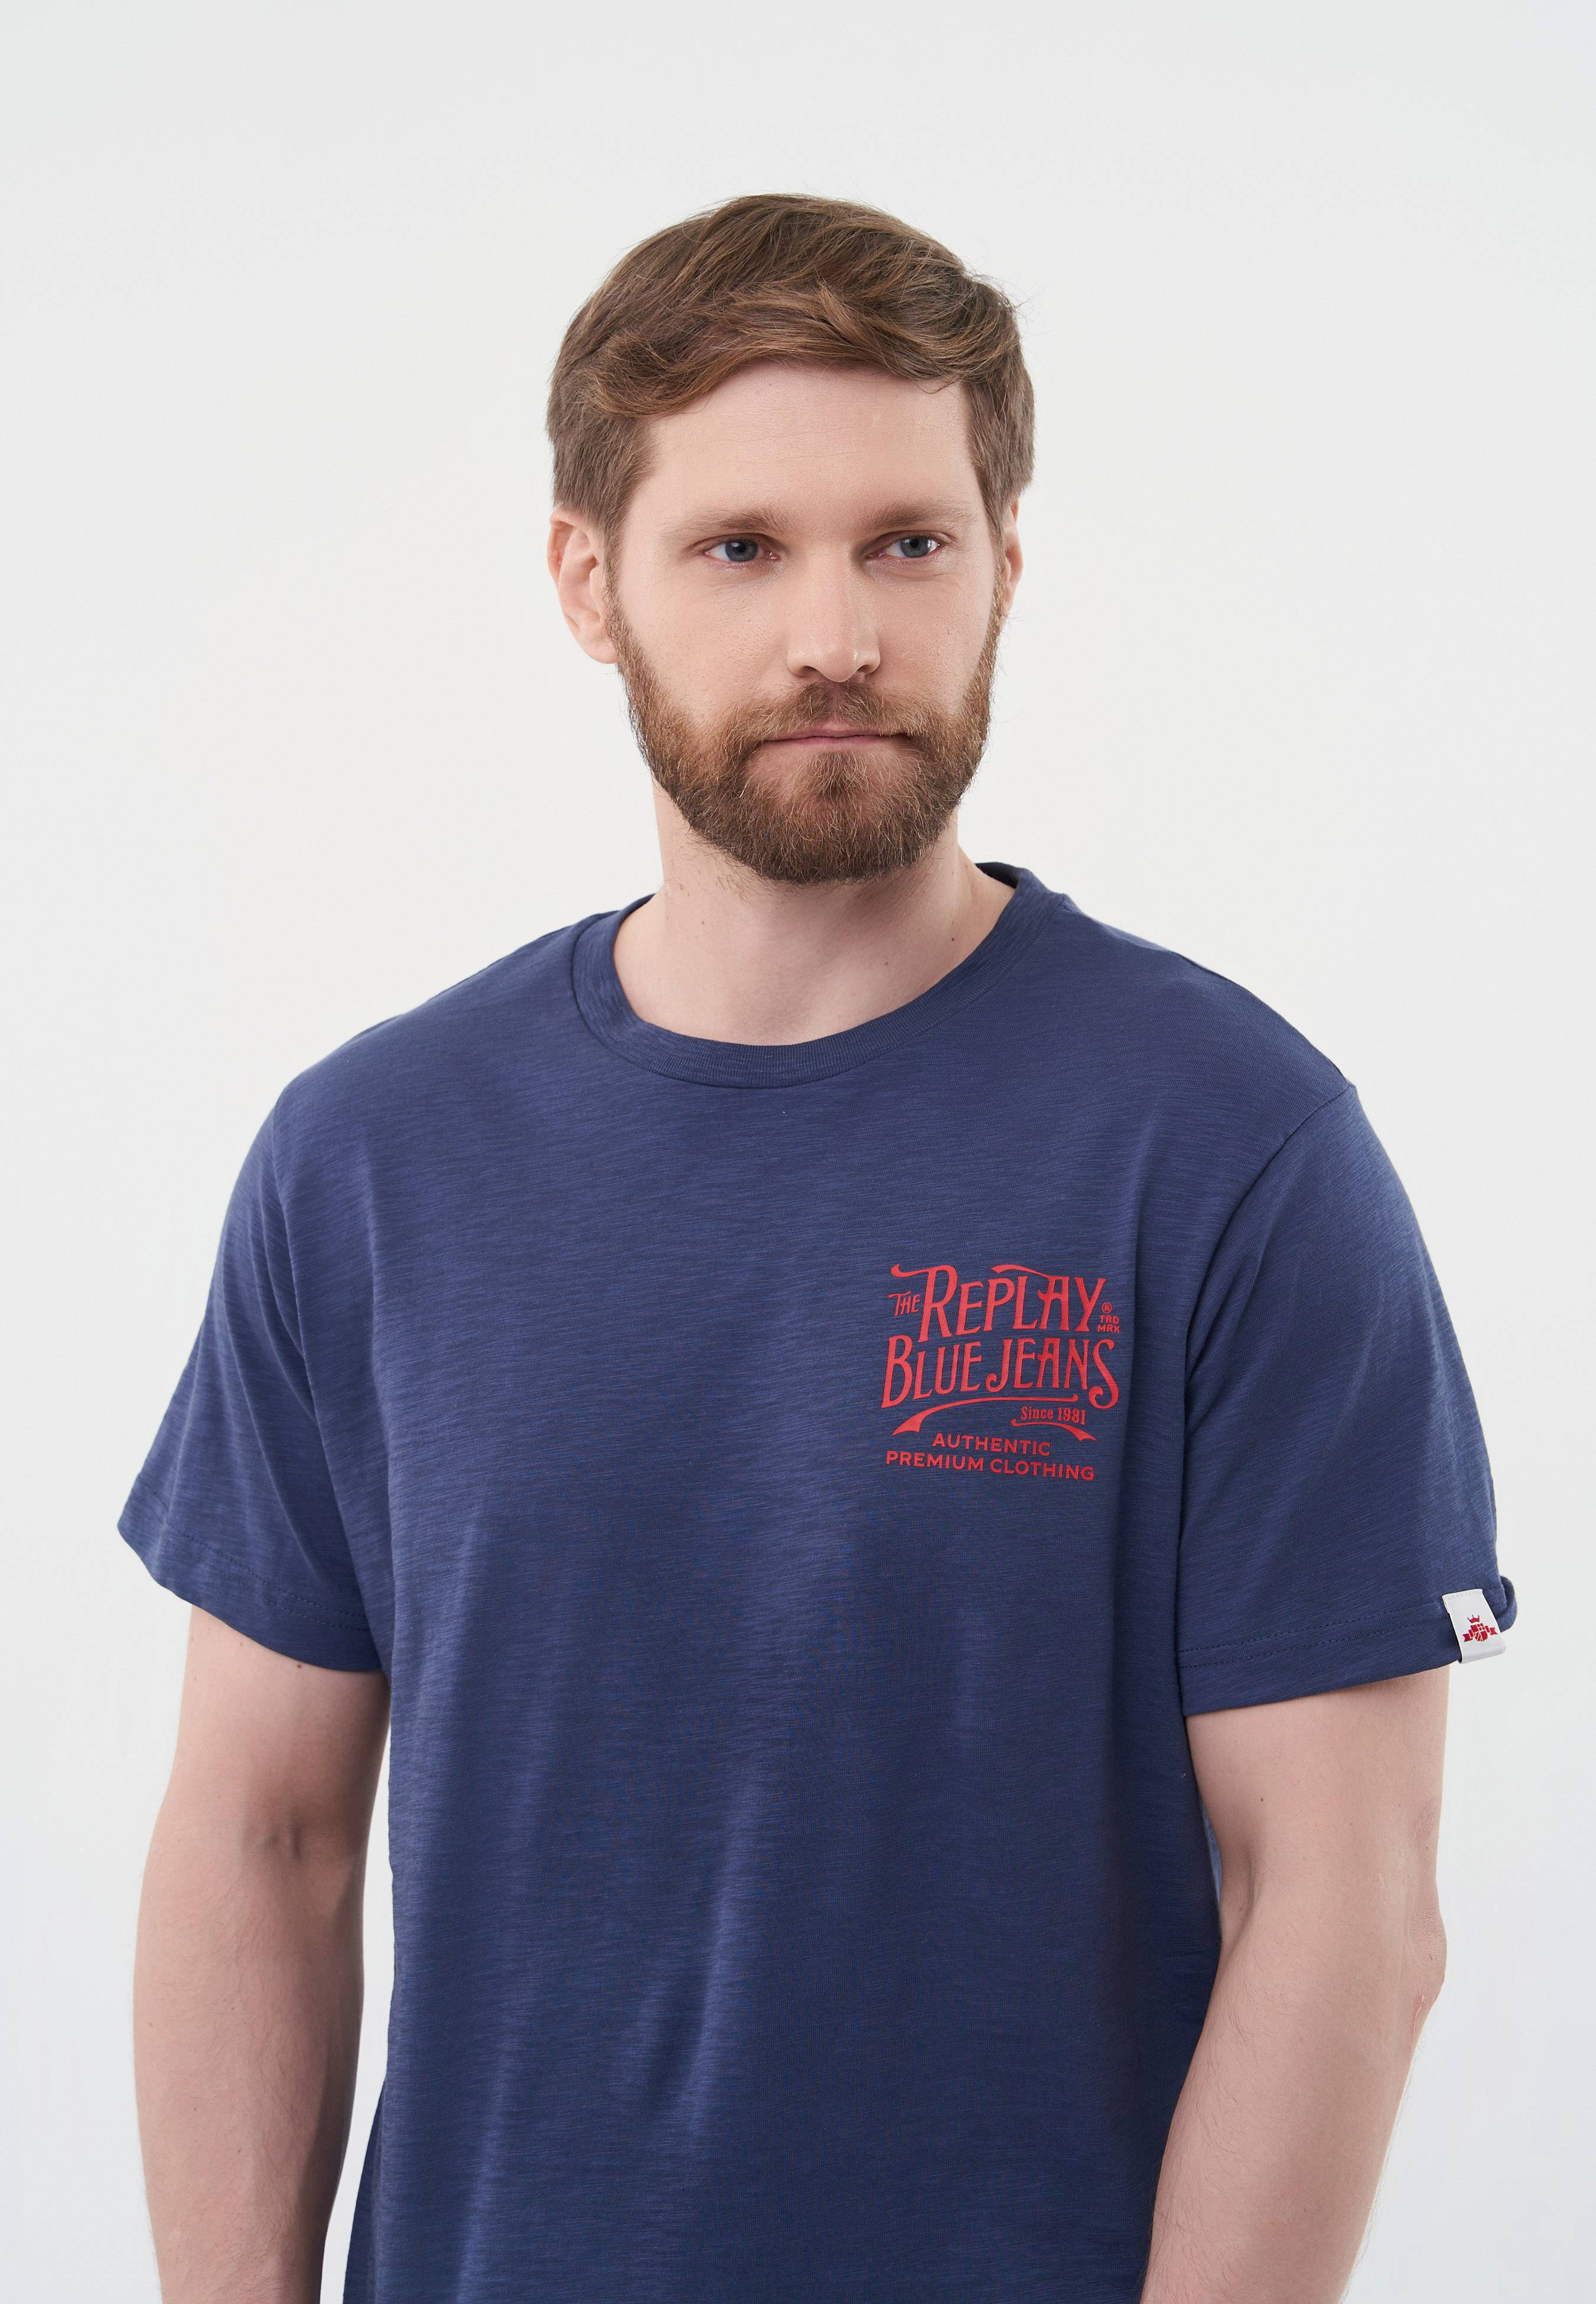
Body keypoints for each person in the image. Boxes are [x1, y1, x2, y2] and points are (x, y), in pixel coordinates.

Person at [121, 191, 1515, 2304]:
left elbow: (1343, 1901)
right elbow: (262, 1835)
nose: (838, 634)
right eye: (741, 548)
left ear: (1008, 563)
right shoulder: (372, 1162)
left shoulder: (1234, 1151)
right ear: (588, 580)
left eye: (909, 542)